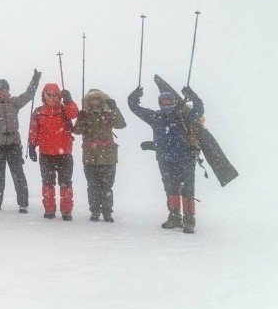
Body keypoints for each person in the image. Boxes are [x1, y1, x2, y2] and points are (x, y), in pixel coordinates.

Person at [128, 77, 204, 234]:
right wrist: (133, 97)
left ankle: (189, 220)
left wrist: (193, 95)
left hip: (186, 159)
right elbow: (135, 108)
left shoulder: (184, 117)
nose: (167, 105)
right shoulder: (155, 117)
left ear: (174, 102)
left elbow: (199, 109)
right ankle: (174, 217)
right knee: (171, 189)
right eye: (164, 102)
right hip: (165, 160)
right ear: (160, 103)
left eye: (170, 102)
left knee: (187, 190)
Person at [0, 69, 40, 213]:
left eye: (5, 90)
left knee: (18, 174)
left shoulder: (14, 102)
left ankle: (23, 203)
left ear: (8, 91)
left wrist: (35, 80)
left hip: (14, 144)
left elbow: (29, 94)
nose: (3, 92)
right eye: (0, 90)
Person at [27, 83, 79, 220]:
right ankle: (49, 210)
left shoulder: (64, 109)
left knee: (65, 183)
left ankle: (66, 211)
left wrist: (69, 100)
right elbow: (33, 130)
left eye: (55, 94)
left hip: (65, 154)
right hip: (46, 154)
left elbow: (74, 113)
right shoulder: (38, 112)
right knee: (48, 183)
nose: (51, 97)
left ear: (59, 96)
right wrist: (32, 146)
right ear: (43, 95)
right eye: (48, 94)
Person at [73, 89, 126, 222]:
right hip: (90, 156)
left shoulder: (109, 113)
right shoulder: (84, 115)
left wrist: (115, 109)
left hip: (108, 156)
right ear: (87, 102)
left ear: (102, 100)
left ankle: (107, 212)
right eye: (91, 99)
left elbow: (121, 124)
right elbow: (77, 131)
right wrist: (81, 118)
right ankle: (95, 211)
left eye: (97, 99)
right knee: (92, 186)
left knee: (107, 186)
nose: (94, 102)